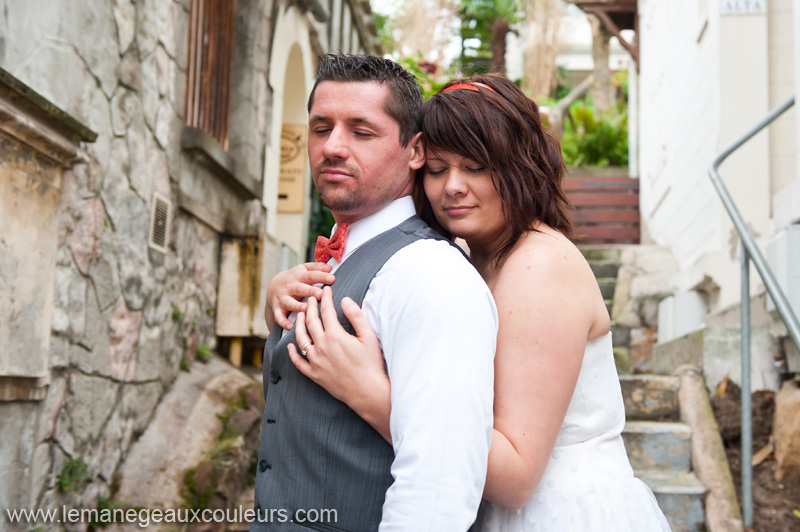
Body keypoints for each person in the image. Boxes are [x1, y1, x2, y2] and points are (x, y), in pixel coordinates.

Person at [267, 73, 672, 531]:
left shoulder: (539, 265)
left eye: (475, 167)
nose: (452, 187)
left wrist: (373, 394)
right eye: (437, 170)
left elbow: (517, 478)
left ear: (520, 165)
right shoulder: (466, 259)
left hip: (557, 513)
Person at [252, 54, 498, 532]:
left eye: (361, 132)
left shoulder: (430, 274)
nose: (333, 147)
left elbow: (437, 489)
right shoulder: (333, 258)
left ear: (415, 150)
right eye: (321, 128)